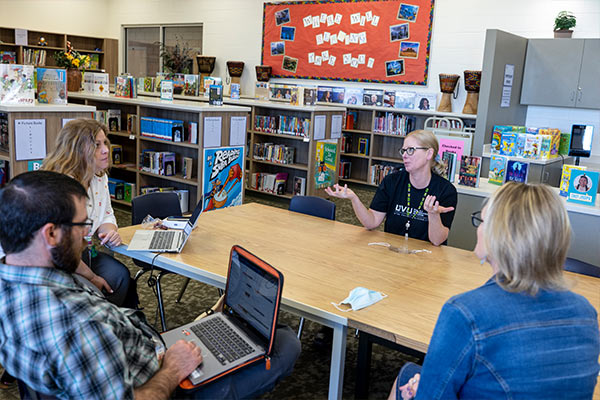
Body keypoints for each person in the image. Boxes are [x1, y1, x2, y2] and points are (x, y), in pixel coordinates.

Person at [0, 171, 301, 399]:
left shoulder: (12, 285)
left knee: (244, 329)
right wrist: (172, 368)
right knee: (284, 343)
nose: (87, 236)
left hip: (144, 353)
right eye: (82, 226)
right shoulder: (77, 323)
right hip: (170, 384)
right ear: (50, 234)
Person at [388, 182, 600, 399]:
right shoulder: (587, 312)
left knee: (408, 376)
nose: (478, 228)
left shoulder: (464, 312)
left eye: (481, 221)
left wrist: (425, 386)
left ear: (499, 235)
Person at [42, 119, 137, 308]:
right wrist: (92, 277)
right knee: (94, 290)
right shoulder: (62, 186)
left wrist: (109, 231)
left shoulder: (99, 177)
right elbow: (61, 251)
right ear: (77, 151)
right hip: (52, 262)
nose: (105, 150)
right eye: (96, 145)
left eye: (105, 144)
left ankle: (109, 323)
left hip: (82, 252)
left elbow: (107, 213)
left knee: (120, 276)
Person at [325, 130, 457, 246]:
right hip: (393, 251)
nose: (404, 155)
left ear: (429, 154)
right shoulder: (391, 181)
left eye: (411, 150)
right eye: (403, 151)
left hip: (427, 258)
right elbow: (372, 222)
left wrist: (433, 215)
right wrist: (354, 199)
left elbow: (437, 241)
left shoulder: (446, 190)